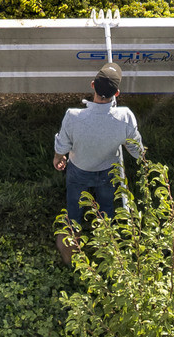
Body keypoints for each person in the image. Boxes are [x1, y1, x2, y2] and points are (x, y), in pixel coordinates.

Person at [52, 63, 145, 263]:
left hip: (79, 172)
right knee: (106, 212)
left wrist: (58, 158)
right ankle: (107, 259)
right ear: (117, 93)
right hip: (107, 173)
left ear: (93, 85)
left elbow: (62, 146)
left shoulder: (73, 116)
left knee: (73, 214)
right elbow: (137, 151)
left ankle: (70, 261)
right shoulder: (125, 117)